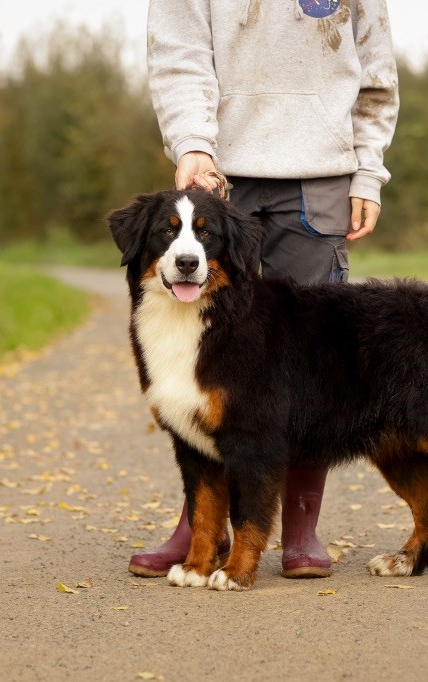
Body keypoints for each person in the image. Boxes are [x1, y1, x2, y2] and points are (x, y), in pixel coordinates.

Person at [129, 0, 399, 579]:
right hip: (220, 176)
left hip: (321, 176)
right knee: (202, 367)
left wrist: (368, 172)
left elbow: (376, 77)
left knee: (310, 365)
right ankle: (199, 530)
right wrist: (193, 144)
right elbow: (178, 57)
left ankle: (300, 528)